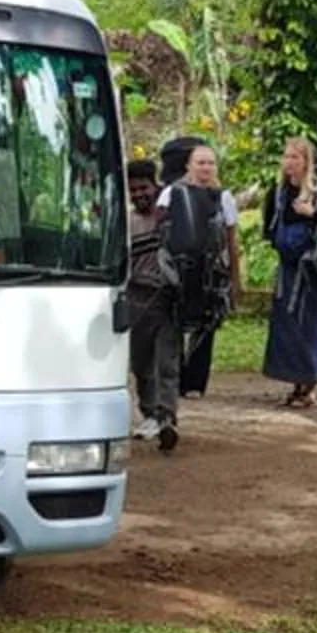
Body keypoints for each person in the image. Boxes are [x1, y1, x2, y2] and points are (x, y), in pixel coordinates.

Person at [261, 134, 317, 409]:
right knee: (286, 326)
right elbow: (269, 226)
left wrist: (313, 214)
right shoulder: (277, 193)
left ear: (306, 162)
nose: (290, 163)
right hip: (288, 269)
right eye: (287, 156)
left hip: (313, 272)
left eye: (296, 157)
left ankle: (308, 384)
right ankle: (295, 381)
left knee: (310, 325)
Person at [169, 140, 239, 399]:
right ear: (189, 165)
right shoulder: (172, 194)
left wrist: (235, 280)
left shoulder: (225, 199)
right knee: (173, 326)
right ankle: (173, 379)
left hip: (212, 273)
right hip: (178, 271)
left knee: (206, 327)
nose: (206, 168)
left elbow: (232, 242)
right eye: (200, 162)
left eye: (210, 163)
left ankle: (195, 383)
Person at [123, 155, 183, 451]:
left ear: (155, 185)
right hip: (136, 299)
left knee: (167, 362)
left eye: (143, 188)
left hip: (166, 299)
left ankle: (166, 417)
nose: (139, 194)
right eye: (133, 190)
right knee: (141, 363)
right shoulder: (126, 222)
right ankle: (150, 413)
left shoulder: (170, 216)